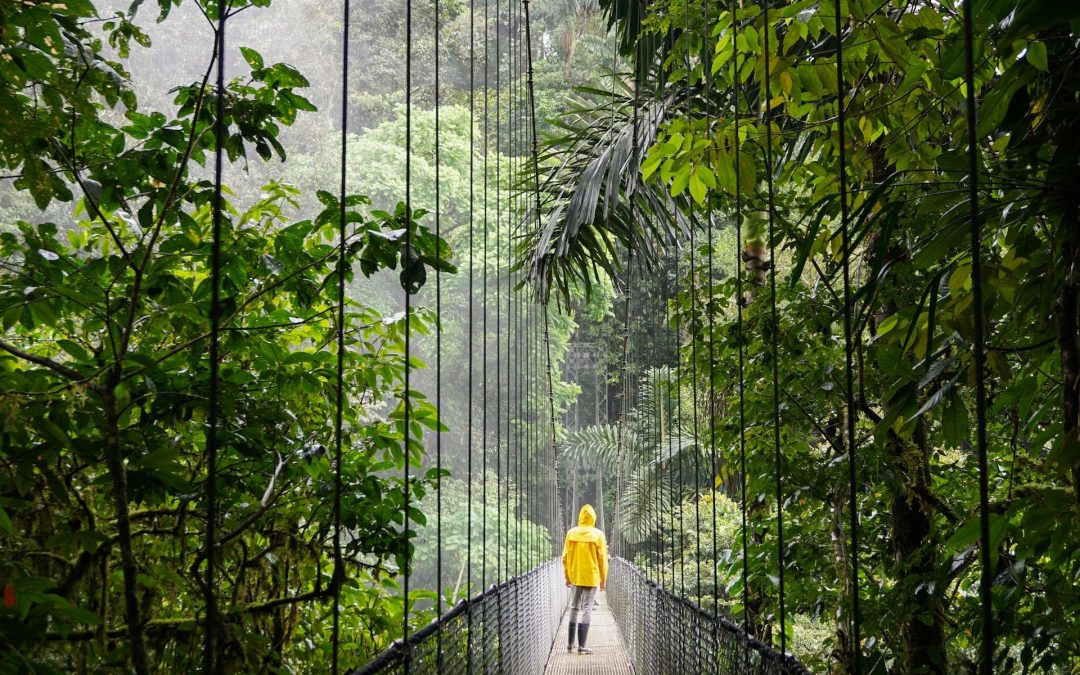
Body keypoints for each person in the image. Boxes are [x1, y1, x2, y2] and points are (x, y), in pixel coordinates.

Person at [561, 504, 608, 655]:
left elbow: (565, 557)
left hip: (576, 576)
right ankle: (582, 647)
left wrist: (567, 576)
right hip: (591, 577)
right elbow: (602, 560)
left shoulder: (571, 533)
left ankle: (569, 644)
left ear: (580, 516)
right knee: (586, 608)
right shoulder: (598, 534)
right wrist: (603, 579)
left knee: (574, 607)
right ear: (594, 517)